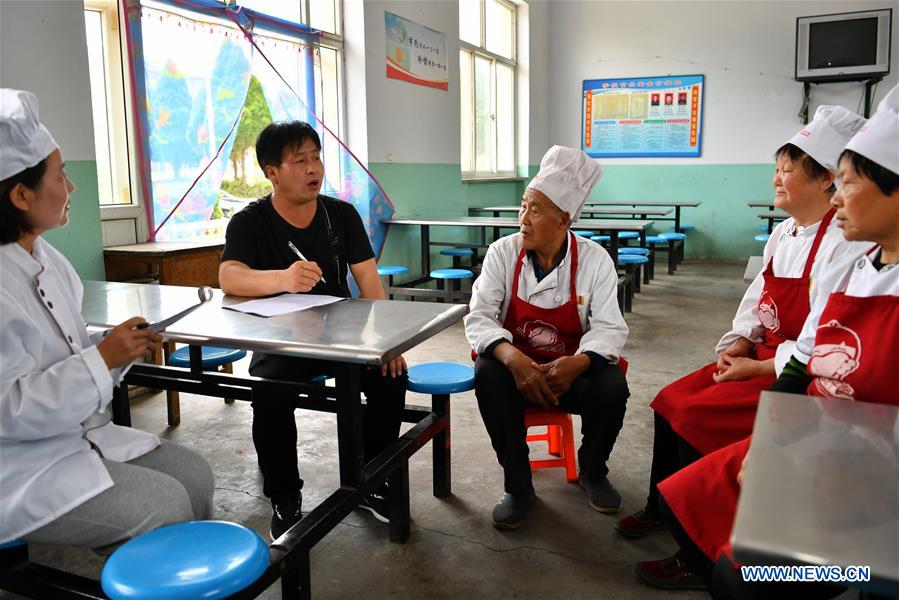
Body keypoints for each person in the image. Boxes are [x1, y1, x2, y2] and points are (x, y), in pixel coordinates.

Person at [640, 85, 899, 599]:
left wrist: (793, 433)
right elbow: (801, 346)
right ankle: (689, 536)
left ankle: (735, 558)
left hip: (868, 482)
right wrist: (740, 345)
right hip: (820, 428)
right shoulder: (865, 266)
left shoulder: (844, 252)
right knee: (685, 459)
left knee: (743, 575)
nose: (838, 198)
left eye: (846, 183)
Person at [616, 106, 868, 544]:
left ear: (828, 177)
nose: (775, 178)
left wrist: (755, 368)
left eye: (787, 169)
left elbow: (821, 341)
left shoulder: (839, 244)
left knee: (694, 415)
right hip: (759, 355)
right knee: (668, 399)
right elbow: (756, 302)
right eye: (776, 168)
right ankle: (662, 506)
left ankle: (693, 543)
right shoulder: (784, 233)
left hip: (796, 373)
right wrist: (737, 343)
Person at [0, 88, 214, 552]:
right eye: (61, 175)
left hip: (69, 437)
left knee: (195, 475)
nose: (71, 187)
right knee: (164, 504)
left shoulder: (46, 257)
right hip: (17, 468)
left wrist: (120, 344)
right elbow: (9, 407)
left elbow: (67, 344)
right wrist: (102, 358)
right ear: (20, 194)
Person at [218, 121, 406, 539]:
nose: (312, 168)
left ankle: (371, 478)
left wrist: (389, 339)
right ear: (272, 172)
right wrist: (282, 279)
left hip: (342, 336)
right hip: (281, 338)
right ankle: (285, 496)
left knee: (391, 375)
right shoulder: (250, 222)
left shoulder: (340, 214)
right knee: (268, 392)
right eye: (299, 160)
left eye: (316, 157)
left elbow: (368, 280)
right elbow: (229, 277)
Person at [464, 145, 629, 529]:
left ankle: (592, 470)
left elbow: (609, 327)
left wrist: (579, 363)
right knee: (488, 373)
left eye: (535, 210)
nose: (523, 218)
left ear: (564, 219)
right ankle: (518, 487)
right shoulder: (502, 254)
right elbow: (480, 317)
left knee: (612, 385)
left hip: (569, 374)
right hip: (517, 375)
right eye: (523, 206)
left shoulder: (594, 260)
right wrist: (514, 359)